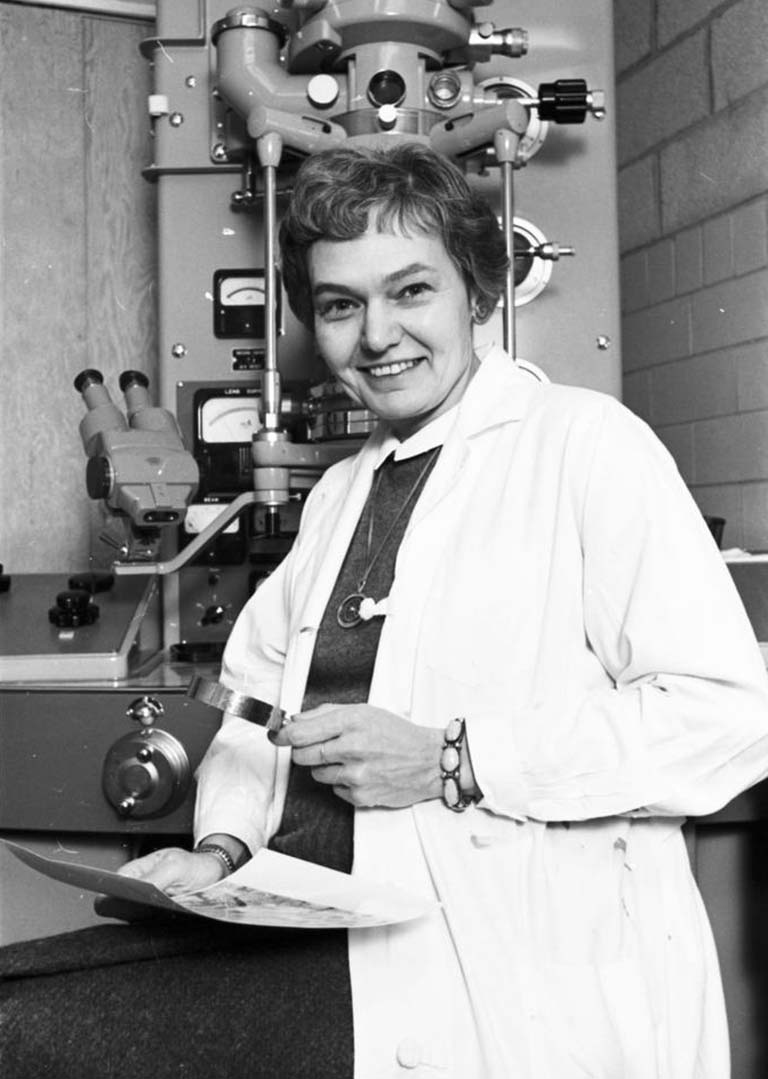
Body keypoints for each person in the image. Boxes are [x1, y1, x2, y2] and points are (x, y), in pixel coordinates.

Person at [117, 143, 768, 1077]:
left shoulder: (587, 447)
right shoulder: (340, 494)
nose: (376, 334)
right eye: (342, 305)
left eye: (411, 291)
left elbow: (728, 717)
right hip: (312, 934)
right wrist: (219, 851)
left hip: (517, 979)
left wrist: (454, 760)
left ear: (478, 291)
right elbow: (253, 712)